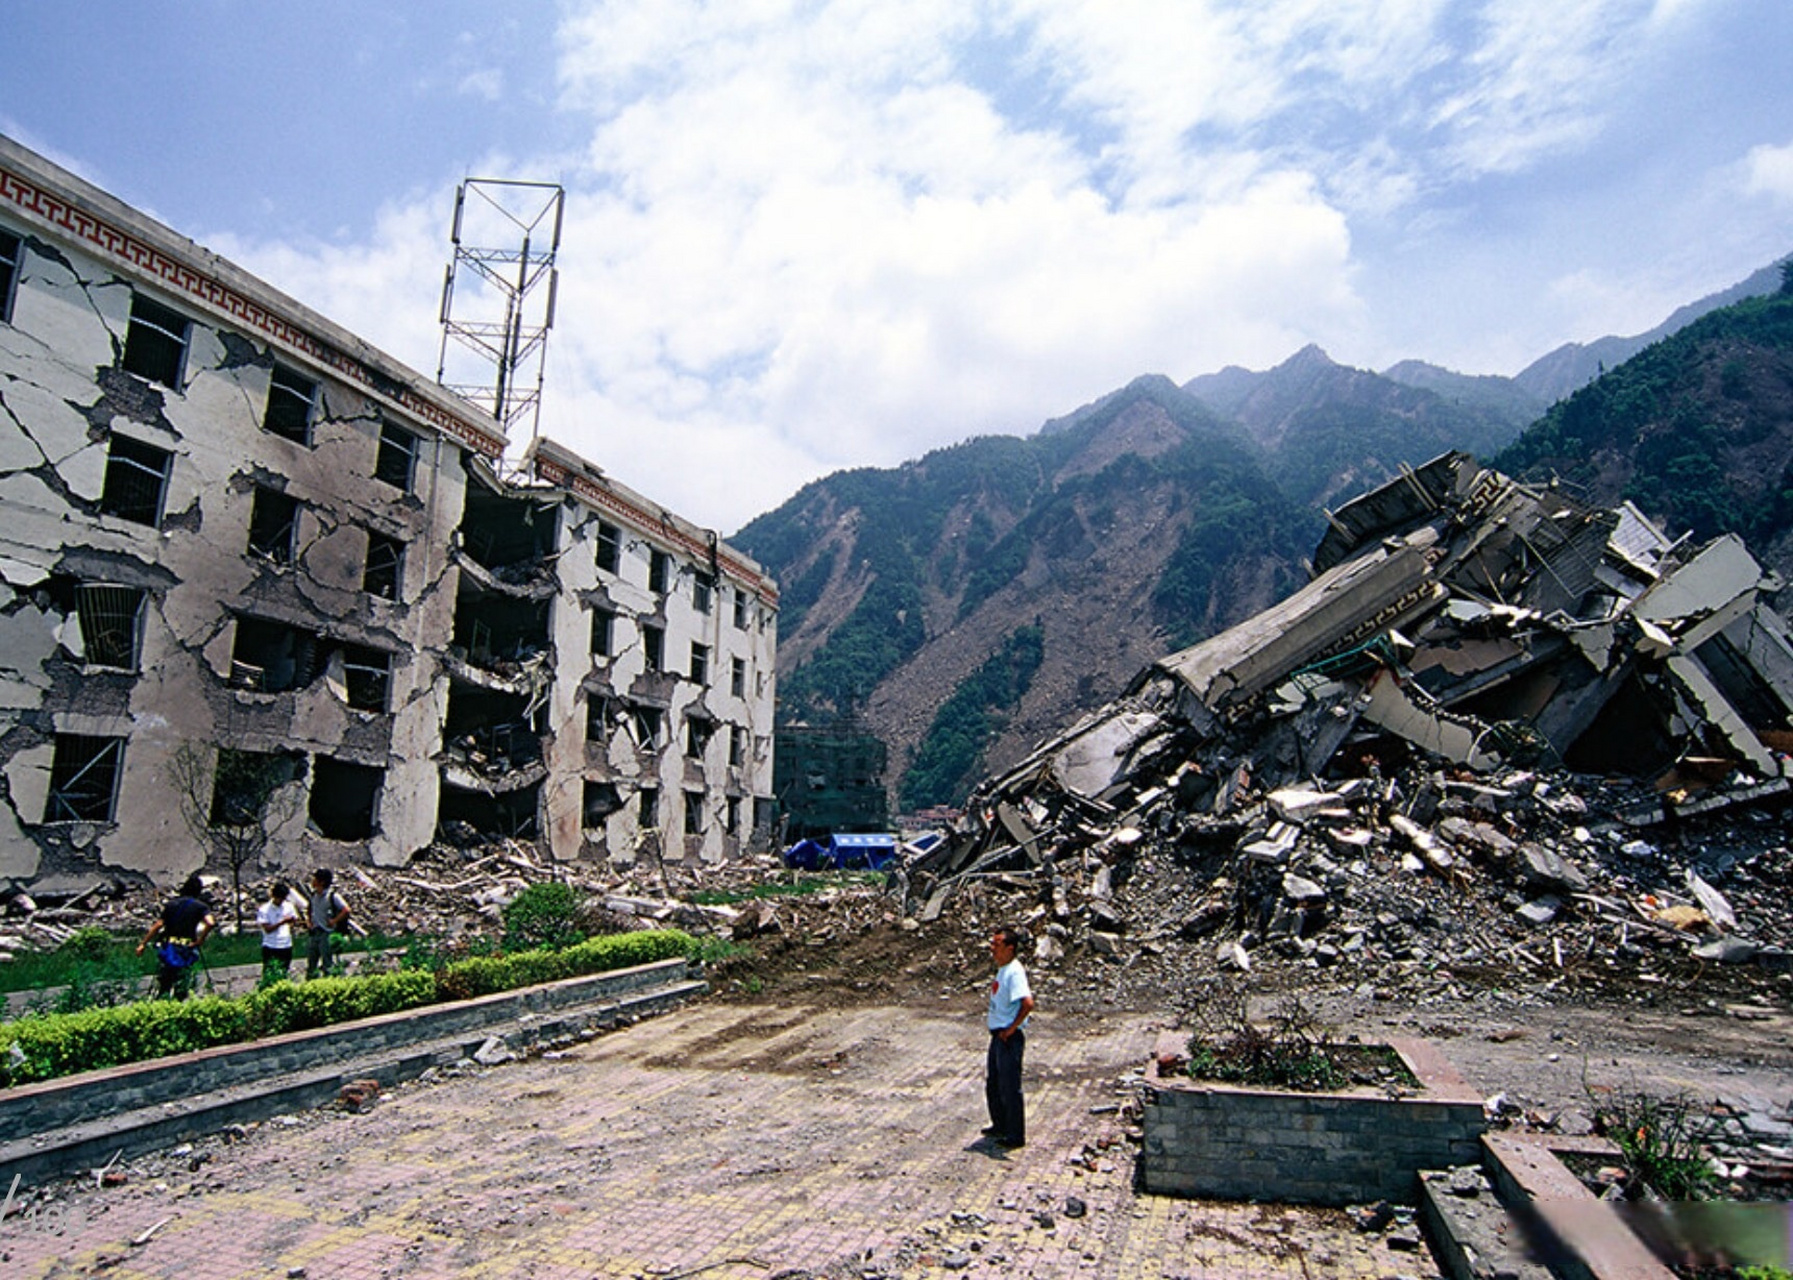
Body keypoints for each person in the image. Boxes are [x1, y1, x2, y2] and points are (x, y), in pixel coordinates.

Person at [982, 925, 1034, 1150]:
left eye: (997, 944)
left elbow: (1027, 1003)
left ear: (1010, 948)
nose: (992, 948)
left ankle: (1014, 1135)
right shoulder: (1003, 969)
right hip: (998, 1035)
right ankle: (1000, 1125)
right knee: (994, 1084)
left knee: (1010, 1087)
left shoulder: (1014, 972)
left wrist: (1012, 1029)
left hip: (1008, 1038)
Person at [135, 874, 216, 999]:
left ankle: (163, 1002)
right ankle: (179, 1002)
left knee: (164, 981)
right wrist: (201, 939)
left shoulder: (171, 905)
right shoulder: (200, 906)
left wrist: (143, 943)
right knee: (183, 982)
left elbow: (158, 925)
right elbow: (210, 923)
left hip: (169, 946)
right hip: (187, 947)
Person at [304, 868, 351, 978]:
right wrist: (309, 921)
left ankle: (329, 981)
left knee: (327, 962)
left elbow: (346, 910)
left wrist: (334, 921)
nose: (312, 881)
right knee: (311, 961)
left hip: (327, 932)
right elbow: (309, 909)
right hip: (314, 932)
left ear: (322, 882)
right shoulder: (314, 895)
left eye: (315, 878)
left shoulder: (332, 896)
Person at [257, 881, 299, 977]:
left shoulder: (288, 906)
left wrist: (292, 922)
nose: (281, 901)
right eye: (279, 898)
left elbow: (294, 920)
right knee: (269, 972)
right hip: (271, 945)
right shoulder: (264, 909)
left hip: (285, 944)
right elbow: (267, 929)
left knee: (284, 971)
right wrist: (282, 922)